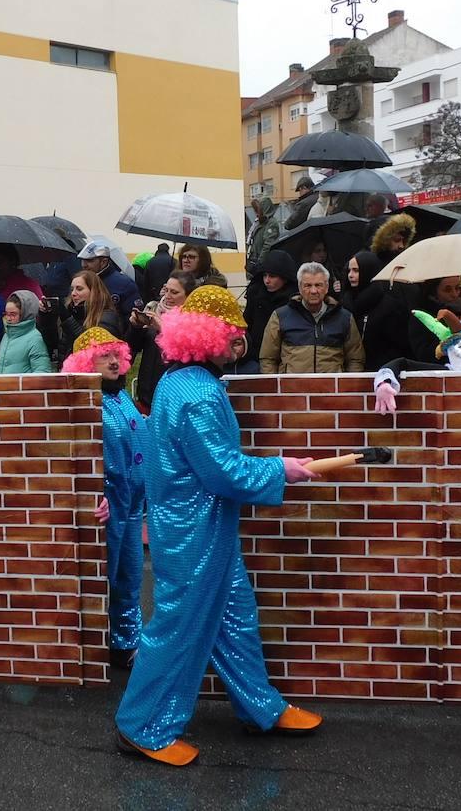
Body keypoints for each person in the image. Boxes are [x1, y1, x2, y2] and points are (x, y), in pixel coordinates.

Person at [114, 285, 322, 766]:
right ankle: (142, 726)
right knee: (178, 626)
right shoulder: (200, 394)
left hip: (197, 525)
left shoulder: (179, 382)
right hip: (193, 532)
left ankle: (260, 707)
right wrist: (281, 469)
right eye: (234, 334)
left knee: (235, 617)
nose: (240, 342)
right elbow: (224, 472)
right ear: (211, 336)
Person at [62, 327, 145, 669]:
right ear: (86, 362)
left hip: (132, 502)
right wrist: (92, 492)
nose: (113, 362)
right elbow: (73, 454)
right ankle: (98, 647)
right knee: (104, 576)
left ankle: (127, 642)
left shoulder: (120, 396)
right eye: (103, 356)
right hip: (107, 504)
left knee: (131, 575)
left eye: (115, 355)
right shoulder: (85, 401)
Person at [260, 262, 364, 374]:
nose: (313, 291)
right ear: (300, 288)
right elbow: (268, 359)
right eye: (308, 286)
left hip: (331, 385)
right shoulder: (280, 316)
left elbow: (355, 360)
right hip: (291, 385)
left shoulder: (344, 318)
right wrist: (274, 384)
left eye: (318, 285)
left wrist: (348, 383)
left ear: (327, 287)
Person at [130, 271, 197, 409]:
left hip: (175, 396)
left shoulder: (193, 320)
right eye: (166, 290)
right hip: (146, 393)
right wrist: (136, 327)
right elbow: (133, 347)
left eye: (174, 292)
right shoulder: (153, 309)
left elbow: (187, 354)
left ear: (189, 295)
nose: (167, 296)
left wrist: (163, 328)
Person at [238, 250, 298, 375]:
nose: (267, 280)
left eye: (272, 276)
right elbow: (246, 323)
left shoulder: (295, 300)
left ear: (284, 278)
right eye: (265, 275)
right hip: (255, 356)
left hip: (286, 359)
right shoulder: (256, 294)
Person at [56, 269, 123, 362]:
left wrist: (67, 320)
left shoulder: (107, 317)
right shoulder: (73, 313)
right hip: (69, 369)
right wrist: (45, 316)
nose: (73, 293)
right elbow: (55, 345)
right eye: (72, 289)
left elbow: (89, 347)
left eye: (79, 289)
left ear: (93, 292)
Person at [0, 290, 53, 374]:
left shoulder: (35, 338)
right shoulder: (7, 335)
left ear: (25, 314)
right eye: (6, 314)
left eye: (13, 314)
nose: (8, 318)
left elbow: (42, 372)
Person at [408, 277, 461, 363]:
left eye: (457, 288)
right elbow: (425, 355)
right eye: (447, 290)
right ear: (434, 292)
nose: (455, 294)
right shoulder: (421, 316)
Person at [78, 242, 141, 311]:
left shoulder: (124, 284)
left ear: (103, 262)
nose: (84, 265)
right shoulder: (80, 281)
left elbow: (134, 314)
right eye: (82, 260)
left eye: (89, 260)